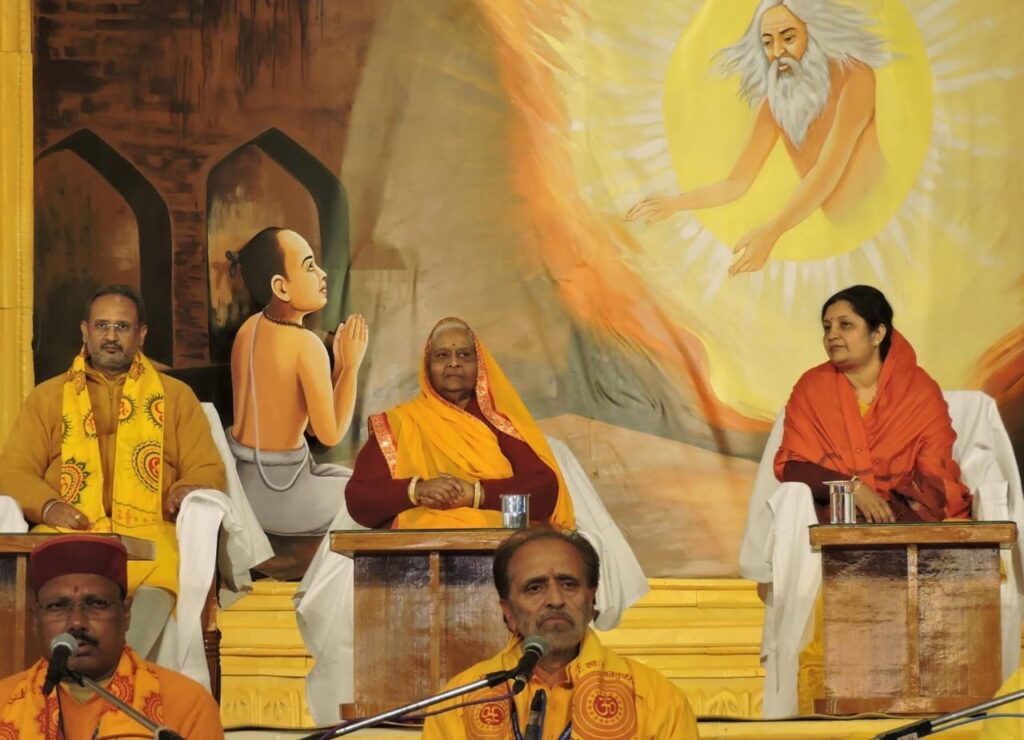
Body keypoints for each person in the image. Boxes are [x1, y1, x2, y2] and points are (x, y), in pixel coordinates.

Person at [0, 284, 226, 657]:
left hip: (149, 537)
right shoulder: (47, 397)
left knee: (159, 582)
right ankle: (63, 678)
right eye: (102, 326)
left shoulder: (175, 397)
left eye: (122, 327)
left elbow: (207, 467)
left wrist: (184, 488)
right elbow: (13, 471)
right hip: (66, 533)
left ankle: (113, 679)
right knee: (48, 587)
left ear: (141, 335)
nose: (110, 336)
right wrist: (49, 506)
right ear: (85, 331)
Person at [626, 0, 889, 275]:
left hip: (878, 216)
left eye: (788, 38)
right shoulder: (775, 104)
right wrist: (675, 203)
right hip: (842, 232)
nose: (777, 52)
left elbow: (827, 170)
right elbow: (736, 183)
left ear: (814, 33)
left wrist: (772, 231)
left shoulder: (855, 77)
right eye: (767, 43)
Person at [422, 527, 699, 739]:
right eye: (535, 588)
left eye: (569, 584)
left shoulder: (655, 698)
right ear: (508, 611)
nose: (555, 599)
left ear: (591, 599)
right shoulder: (460, 702)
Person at [345, 317, 574, 530]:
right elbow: (359, 500)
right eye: (442, 355)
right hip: (417, 548)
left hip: (498, 547)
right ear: (427, 367)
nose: (454, 363)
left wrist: (476, 495)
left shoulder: (498, 422)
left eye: (464, 355)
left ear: (480, 365)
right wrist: (416, 490)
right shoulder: (401, 422)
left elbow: (544, 493)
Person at [776, 284, 971, 523]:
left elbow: (935, 472)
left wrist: (888, 516)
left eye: (845, 325)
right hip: (837, 515)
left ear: (877, 334)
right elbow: (792, 467)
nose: (832, 335)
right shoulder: (812, 387)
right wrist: (853, 488)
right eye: (827, 327)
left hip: (909, 515)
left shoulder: (919, 390)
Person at [0, 534, 223, 739]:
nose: (77, 622)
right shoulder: (4, 701)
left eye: (97, 604)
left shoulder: (186, 703)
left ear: (126, 614)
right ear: (35, 619)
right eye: (58, 606)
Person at [227, 227, 368, 535]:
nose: (322, 274)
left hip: (245, 482)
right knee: (370, 500)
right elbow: (329, 435)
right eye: (309, 266)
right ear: (281, 287)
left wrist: (337, 367)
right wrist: (350, 367)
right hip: (279, 493)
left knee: (353, 480)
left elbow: (312, 425)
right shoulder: (305, 344)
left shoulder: (249, 328)